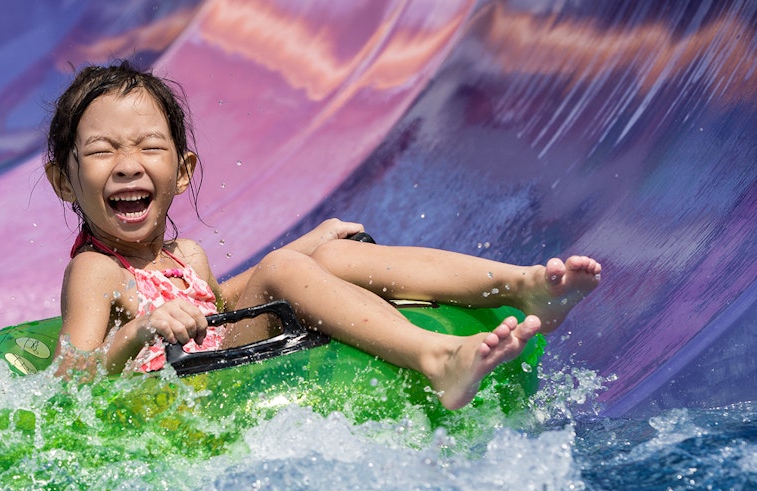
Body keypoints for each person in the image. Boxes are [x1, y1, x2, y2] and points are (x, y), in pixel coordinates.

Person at [44, 61, 601, 410]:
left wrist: (307, 247)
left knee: (323, 255)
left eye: (149, 147)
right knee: (283, 271)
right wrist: (140, 330)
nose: (126, 165)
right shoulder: (97, 271)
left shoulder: (184, 254)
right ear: (63, 181)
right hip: (180, 397)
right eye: (100, 151)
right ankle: (435, 356)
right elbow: (71, 381)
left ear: (184, 170)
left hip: (222, 364)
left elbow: (220, 310)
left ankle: (518, 283)